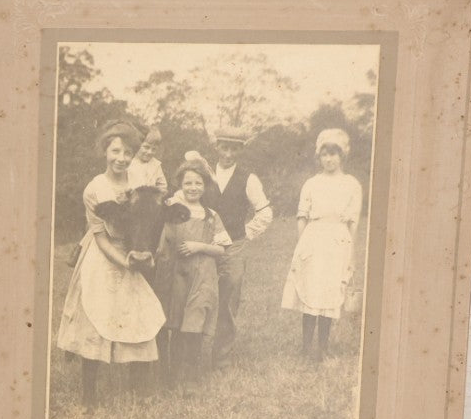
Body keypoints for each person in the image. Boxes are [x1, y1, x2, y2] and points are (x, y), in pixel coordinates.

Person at [55, 120, 166, 405]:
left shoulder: (140, 179)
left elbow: (152, 218)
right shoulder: (95, 188)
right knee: (96, 317)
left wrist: (145, 252)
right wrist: (125, 262)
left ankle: (139, 388)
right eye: (116, 150)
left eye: (128, 152)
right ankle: (89, 395)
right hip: (104, 256)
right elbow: (101, 237)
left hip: (134, 250)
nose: (122, 158)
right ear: (105, 150)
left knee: (138, 314)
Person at [282, 128, 363, 360]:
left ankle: (324, 347)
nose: (329, 159)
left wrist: (352, 254)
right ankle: (306, 347)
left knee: (329, 293)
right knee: (311, 289)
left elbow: (353, 222)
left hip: (338, 240)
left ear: (342, 156)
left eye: (334, 154)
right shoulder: (311, 183)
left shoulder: (352, 185)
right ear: (319, 157)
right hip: (313, 239)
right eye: (325, 154)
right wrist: (302, 246)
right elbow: (302, 216)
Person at [155, 162, 232, 381]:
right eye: (187, 182)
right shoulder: (172, 212)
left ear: (205, 186)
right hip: (178, 277)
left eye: (198, 183)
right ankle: (171, 375)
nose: (193, 187)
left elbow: (222, 249)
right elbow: (162, 243)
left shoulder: (211, 215)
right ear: (180, 184)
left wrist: (199, 247)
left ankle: (191, 378)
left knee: (194, 325)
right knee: (177, 325)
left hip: (203, 278)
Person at [208, 129, 274, 362]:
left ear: (240, 150)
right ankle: (195, 351)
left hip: (234, 246)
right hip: (206, 245)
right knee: (201, 295)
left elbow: (265, 212)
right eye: (224, 148)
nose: (228, 153)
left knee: (228, 296)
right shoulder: (205, 174)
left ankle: (221, 355)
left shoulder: (248, 178)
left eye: (234, 149)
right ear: (217, 147)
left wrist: (245, 233)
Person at [128, 128, 168, 193]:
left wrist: (159, 192)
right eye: (146, 147)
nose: (150, 152)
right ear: (137, 145)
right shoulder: (129, 163)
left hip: (150, 199)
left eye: (154, 149)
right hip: (133, 198)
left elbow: (162, 185)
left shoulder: (156, 165)